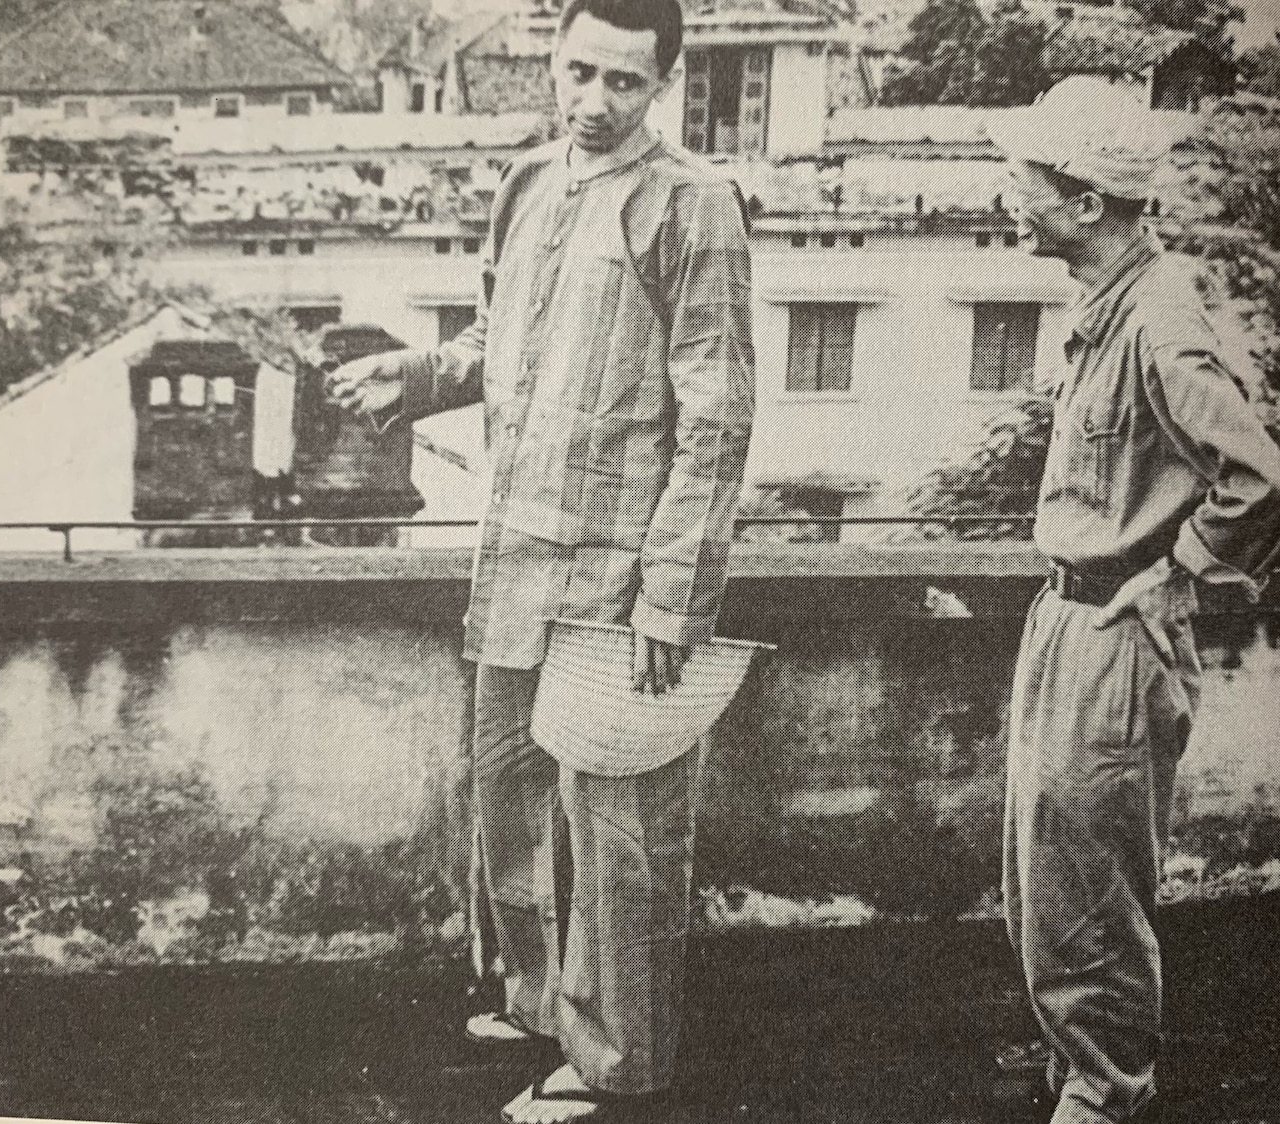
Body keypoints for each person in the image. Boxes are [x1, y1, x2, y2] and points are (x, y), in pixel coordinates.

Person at [327, 2, 755, 1120]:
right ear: (550, 66)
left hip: (619, 577)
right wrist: (413, 376)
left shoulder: (692, 205)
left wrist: (674, 593)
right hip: (515, 551)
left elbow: (715, 415)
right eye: (577, 73)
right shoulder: (525, 185)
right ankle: (533, 1000)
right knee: (507, 792)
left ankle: (615, 1061)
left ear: (662, 82)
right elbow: (498, 342)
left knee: (617, 835)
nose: (593, 101)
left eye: (623, 81)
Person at [988, 79, 1280, 1124]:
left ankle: (1106, 1087)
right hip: (1067, 617)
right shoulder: (1108, 301)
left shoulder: (1161, 320)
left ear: (1084, 202)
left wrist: (1176, 571)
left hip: (1113, 631)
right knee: (1043, 864)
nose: (1010, 193)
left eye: (1026, 177)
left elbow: (1262, 486)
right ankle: (1073, 1056)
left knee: (1089, 884)